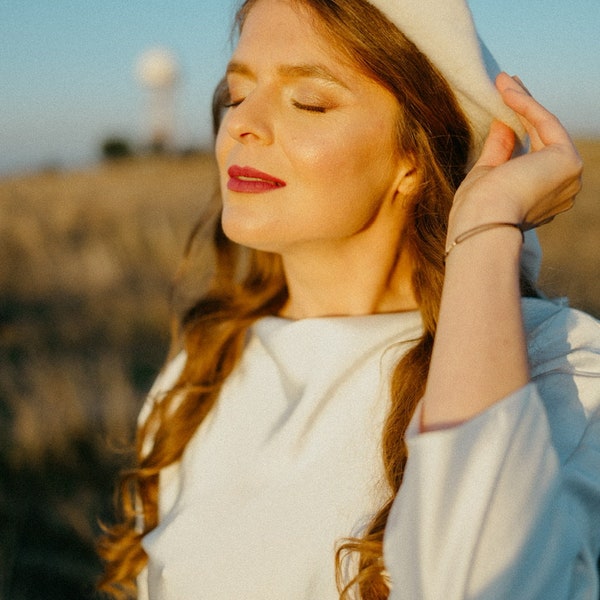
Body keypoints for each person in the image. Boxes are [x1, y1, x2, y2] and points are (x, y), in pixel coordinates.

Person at [98, 0, 600, 598]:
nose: (240, 125)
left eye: (308, 100)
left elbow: (487, 580)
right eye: (236, 95)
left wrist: (487, 229)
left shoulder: (560, 369)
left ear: (413, 158)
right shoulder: (203, 369)